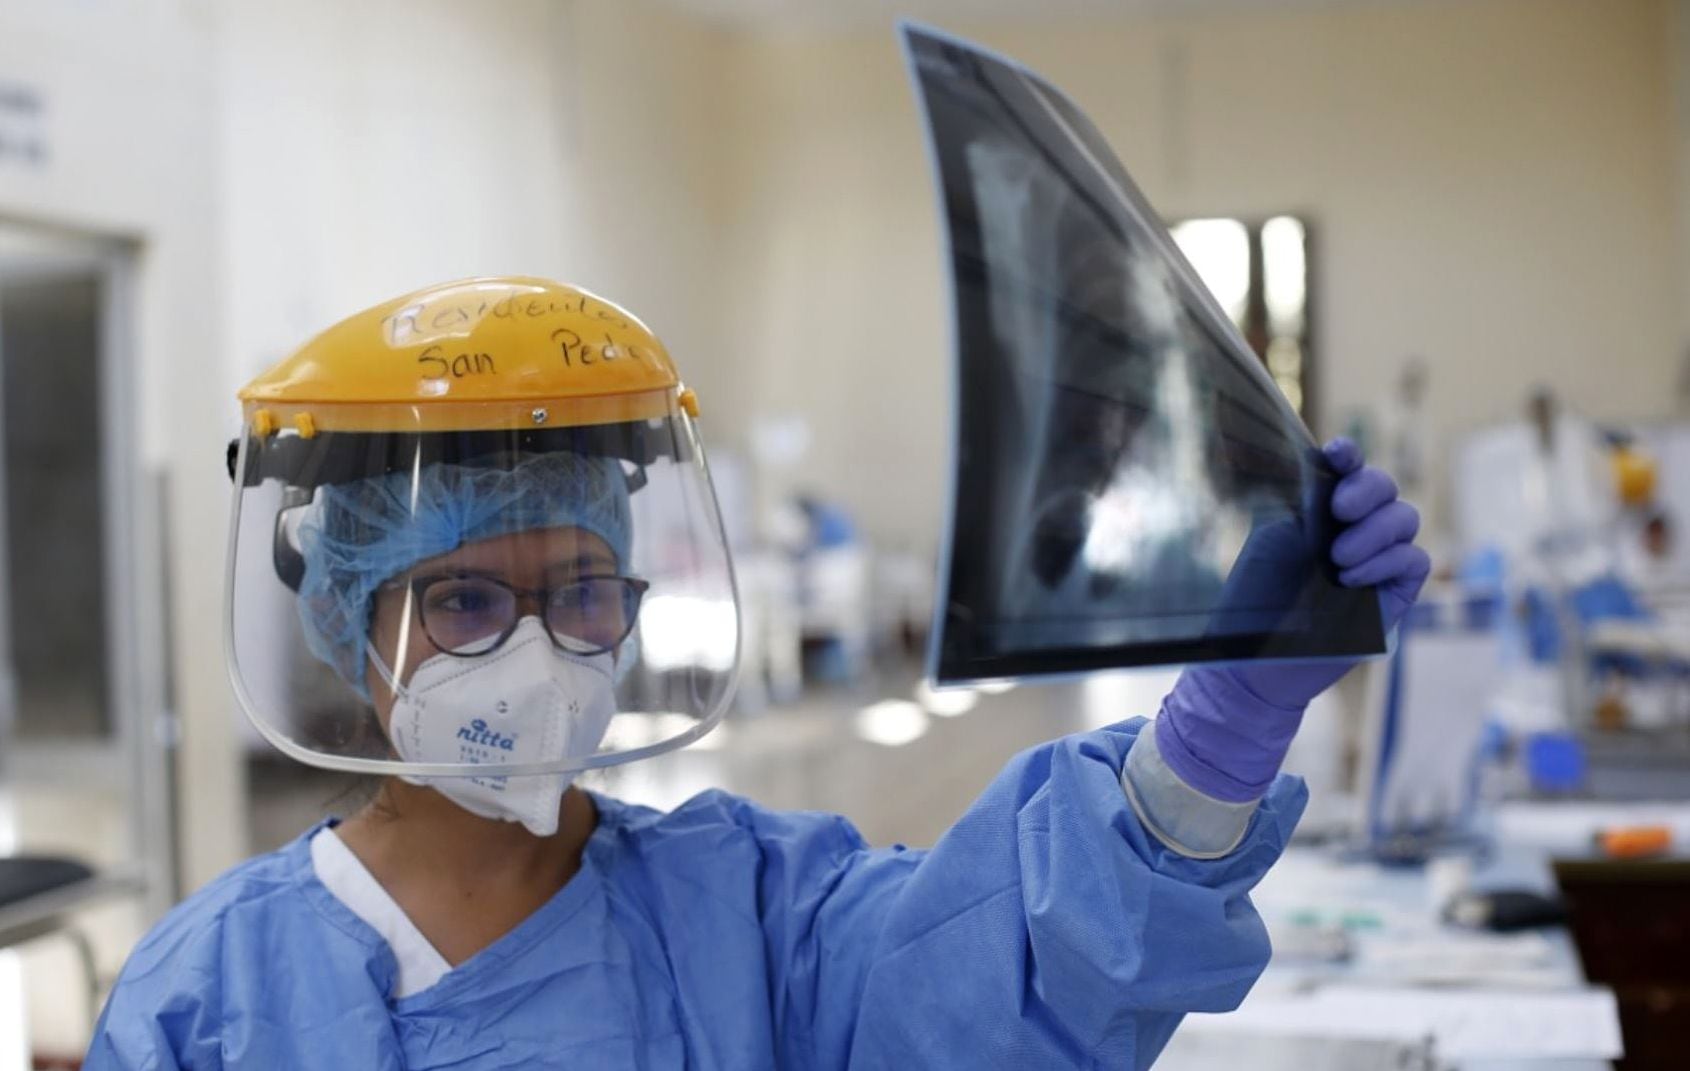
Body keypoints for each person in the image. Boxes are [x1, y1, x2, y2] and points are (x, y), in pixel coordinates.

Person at [86, 277, 1428, 1070]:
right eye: (468, 600)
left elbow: (1017, 981)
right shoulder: (209, 997)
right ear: (345, 620)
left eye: (584, 593)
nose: (540, 655)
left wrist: (1227, 722)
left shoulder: (755, 917)